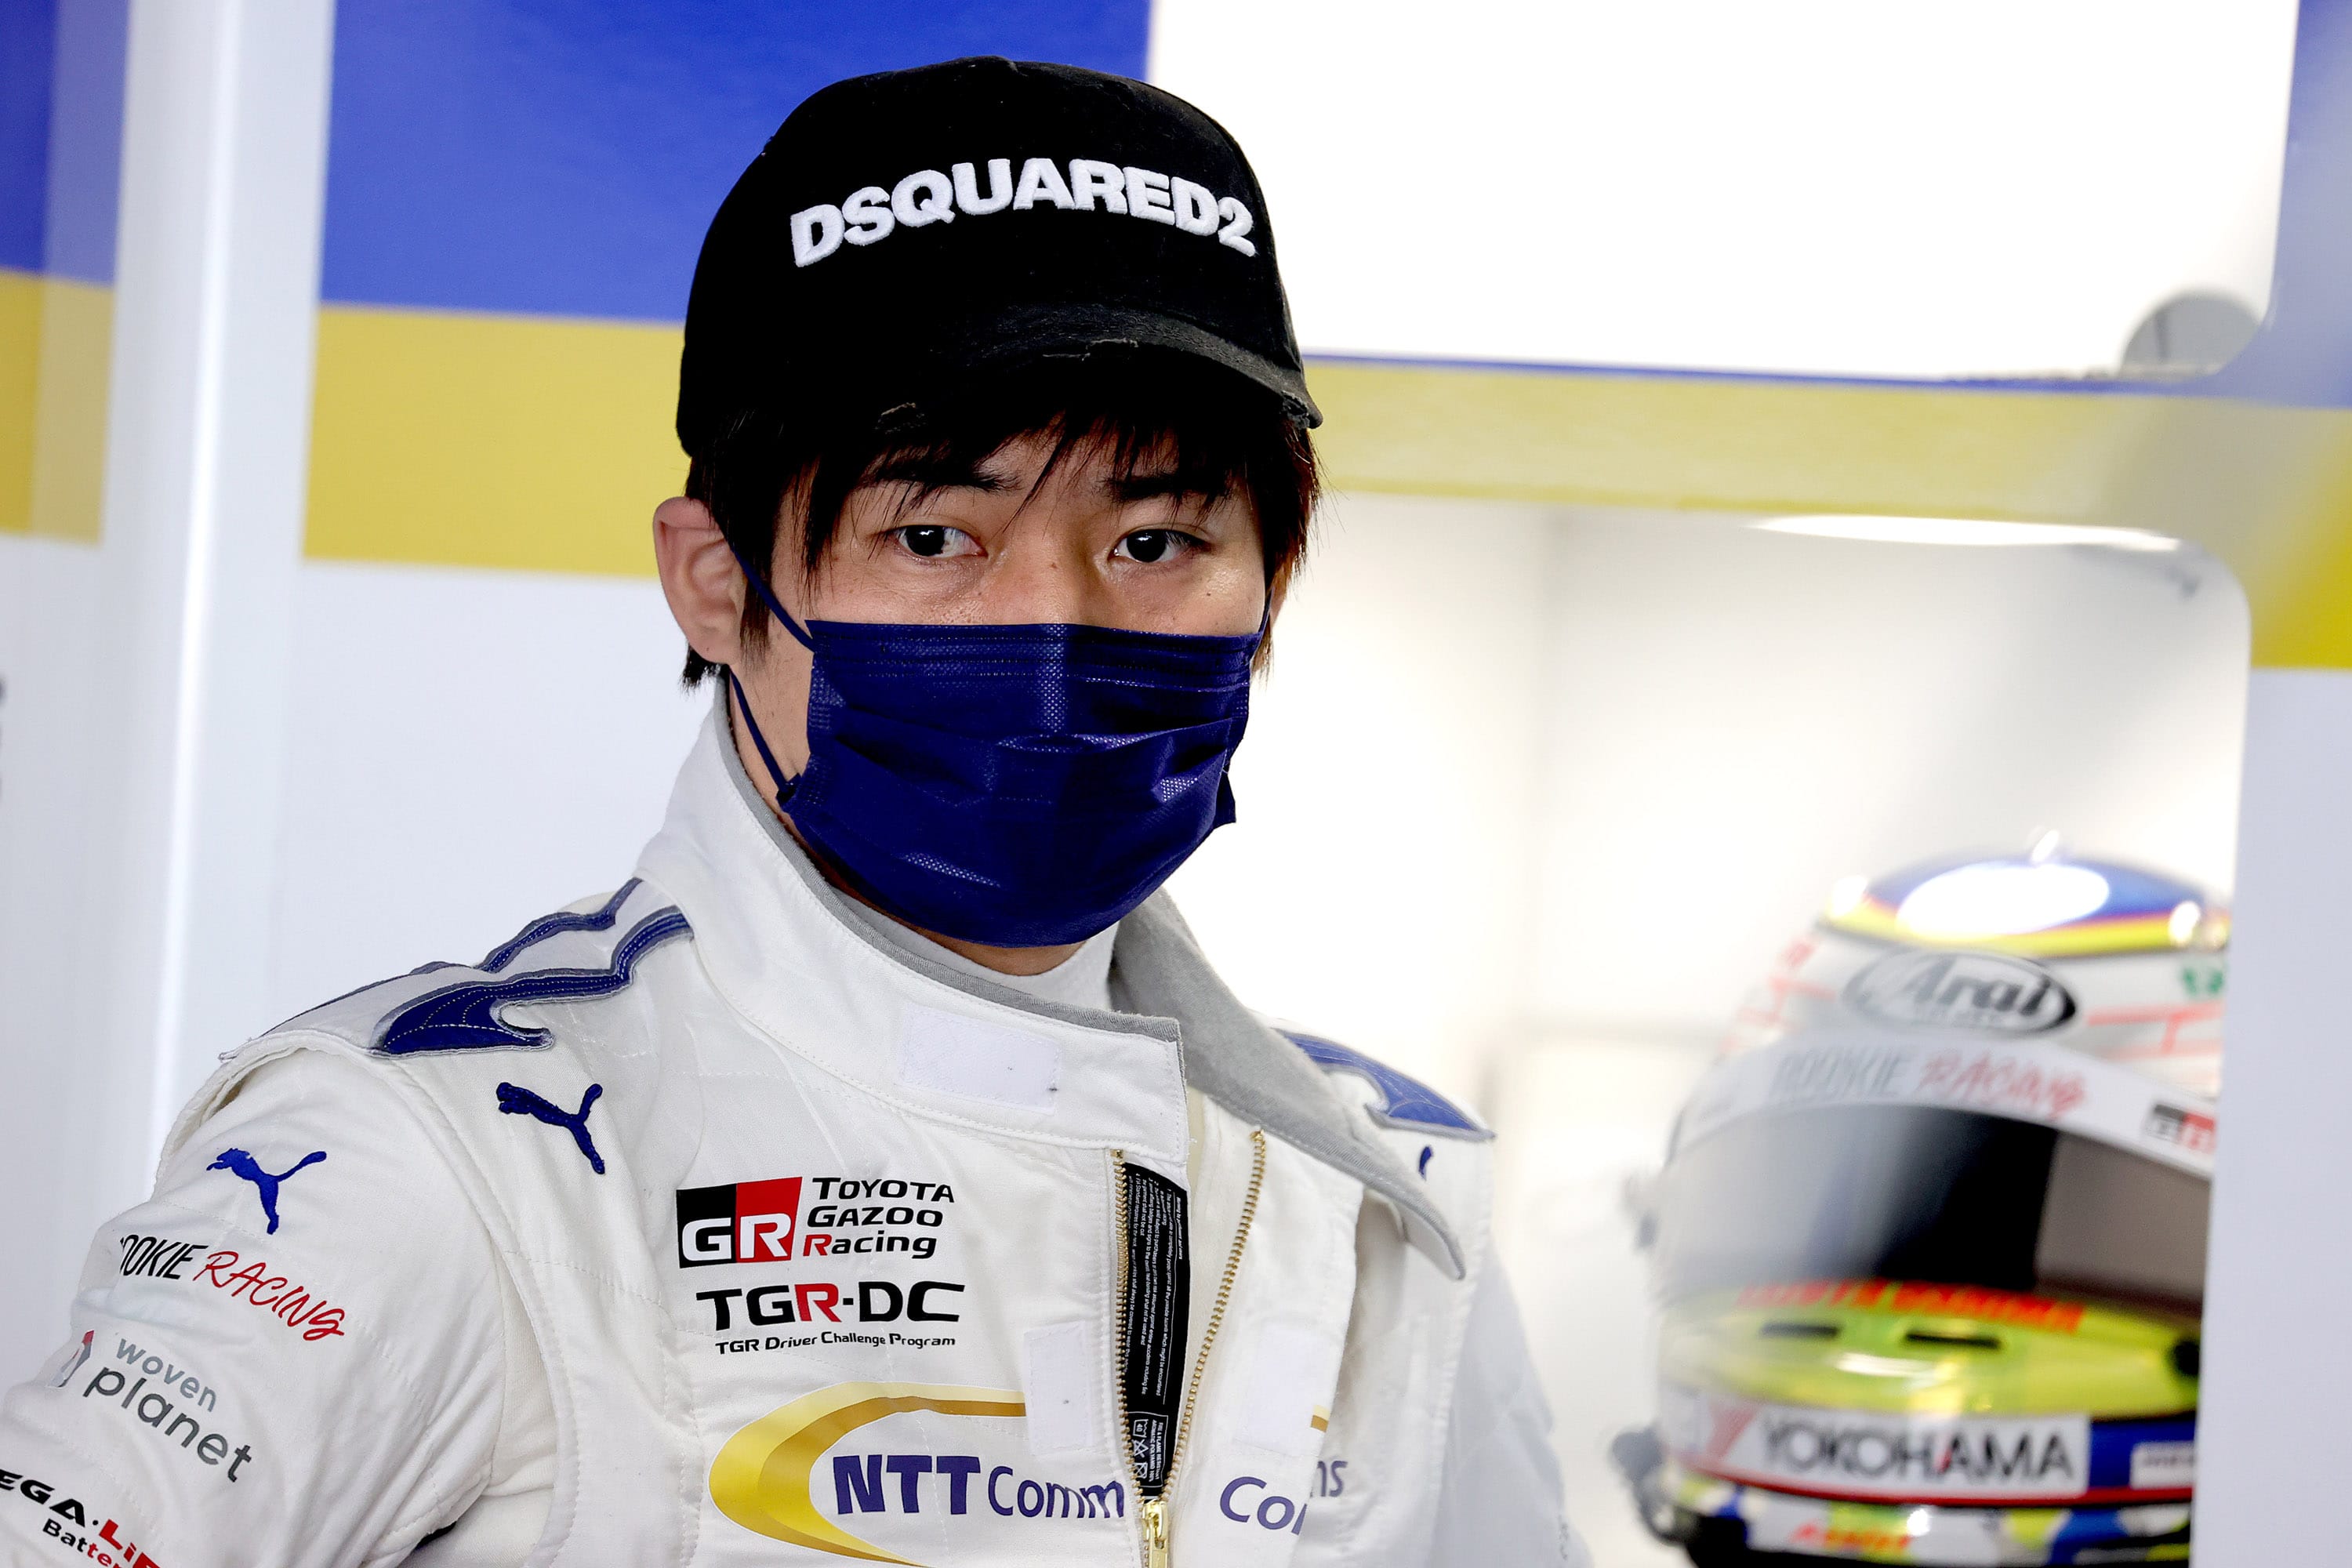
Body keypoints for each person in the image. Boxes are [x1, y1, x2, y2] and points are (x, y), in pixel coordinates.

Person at [0, 58, 1579, 1567]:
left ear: (1270, 583)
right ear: (715, 581)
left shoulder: (1390, 1199)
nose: (1054, 624)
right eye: (935, 535)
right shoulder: (442, 1154)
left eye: (1155, 541)